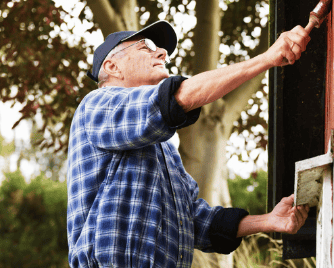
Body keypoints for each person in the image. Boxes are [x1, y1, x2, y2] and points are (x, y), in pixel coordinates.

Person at [67, 20, 311, 268]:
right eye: (146, 47)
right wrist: (266, 59)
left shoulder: (164, 150)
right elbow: (176, 98)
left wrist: (269, 220)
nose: (162, 53)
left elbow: (195, 221)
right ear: (112, 66)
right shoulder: (96, 104)